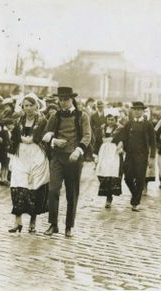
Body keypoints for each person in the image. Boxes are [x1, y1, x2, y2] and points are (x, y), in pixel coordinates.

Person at [42, 87, 91, 237]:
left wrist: (78, 151)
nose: (63, 102)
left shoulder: (82, 116)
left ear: (72, 100)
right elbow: (45, 134)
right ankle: (53, 224)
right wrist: (54, 141)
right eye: (60, 99)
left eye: (66, 99)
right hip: (57, 157)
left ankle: (69, 226)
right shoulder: (55, 116)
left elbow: (87, 136)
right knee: (53, 190)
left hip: (73, 158)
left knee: (72, 193)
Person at [8, 93, 50, 233]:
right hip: (21, 155)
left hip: (36, 155)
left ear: (36, 106)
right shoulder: (19, 120)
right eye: (25, 106)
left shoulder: (43, 120)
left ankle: (33, 221)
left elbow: (43, 137)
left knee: (34, 187)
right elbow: (14, 137)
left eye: (31, 105)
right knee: (18, 186)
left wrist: (33, 139)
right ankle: (17, 221)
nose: (28, 108)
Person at [112, 102, 156, 211]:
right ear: (133, 111)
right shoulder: (129, 123)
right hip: (130, 155)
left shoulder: (148, 124)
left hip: (142, 155)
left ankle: (135, 202)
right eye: (135, 109)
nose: (137, 111)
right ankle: (135, 193)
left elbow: (153, 142)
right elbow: (122, 136)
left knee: (140, 179)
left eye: (139, 110)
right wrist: (119, 143)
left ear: (142, 111)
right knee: (127, 178)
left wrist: (152, 157)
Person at [93, 108, 123, 208]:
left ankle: (109, 197)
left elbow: (124, 140)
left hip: (114, 153)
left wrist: (121, 144)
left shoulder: (120, 129)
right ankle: (106, 192)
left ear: (116, 119)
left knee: (111, 174)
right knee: (101, 173)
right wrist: (95, 154)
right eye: (109, 119)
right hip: (103, 153)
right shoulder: (101, 129)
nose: (110, 121)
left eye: (112, 119)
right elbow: (97, 142)